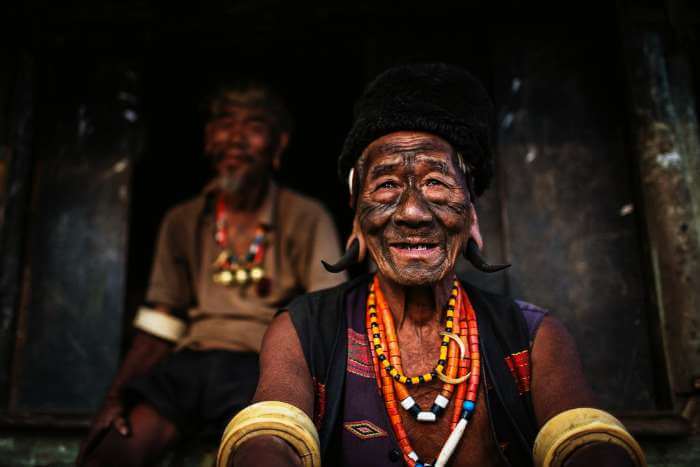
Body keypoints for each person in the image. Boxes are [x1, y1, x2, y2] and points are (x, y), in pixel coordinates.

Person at [217, 64, 646, 467]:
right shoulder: (303, 330)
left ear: (471, 212)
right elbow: (272, 433)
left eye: (436, 183)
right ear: (357, 219)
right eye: (386, 184)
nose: (412, 213)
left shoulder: (534, 338)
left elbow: (583, 438)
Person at [77, 80, 347, 466]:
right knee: (109, 454)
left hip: (262, 364)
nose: (236, 137)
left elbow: (327, 315)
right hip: (191, 365)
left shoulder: (306, 217)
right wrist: (115, 398)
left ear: (279, 144)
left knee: (259, 456)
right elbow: (161, 320)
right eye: (225, 123)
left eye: (253, 126)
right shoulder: (183, 220)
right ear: (208, 138)